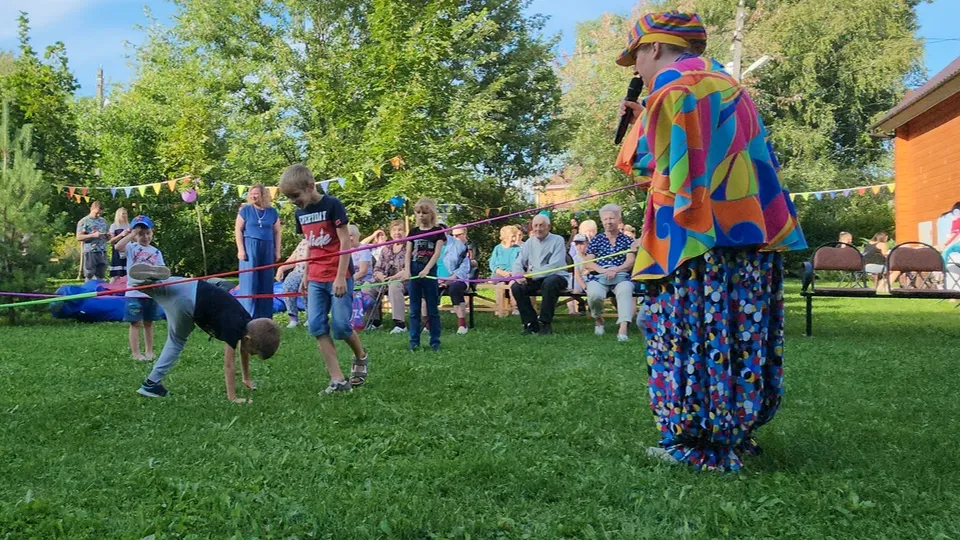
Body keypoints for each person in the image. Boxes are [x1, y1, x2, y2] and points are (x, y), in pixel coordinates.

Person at [615, 11, 806, 470]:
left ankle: (697, 444)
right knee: (736, 330)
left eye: (636, 56)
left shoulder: (671, 88)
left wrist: (639, 125)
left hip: (692, 241)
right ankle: (730, 434)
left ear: (655, 47)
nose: (636, 68)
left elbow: (647, 165)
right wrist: (649, 119)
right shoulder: (729, 84)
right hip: (748, 233)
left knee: (688, 331)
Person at [128, 264, 281, 402]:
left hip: (188, 286)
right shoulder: (233, 328)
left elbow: (244, 350)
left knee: (160, 288)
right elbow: (229, 365)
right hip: (187, 303)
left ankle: (149, 283)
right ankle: (151, 384)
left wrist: (246, 378)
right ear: (248, 340)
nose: (250, 354)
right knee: (176, 341)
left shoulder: (246, 322)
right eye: (253, 352)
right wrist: (232, 397)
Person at [280, 164, 369, 393]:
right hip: (316, 277)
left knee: (340, 326)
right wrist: (305, 274)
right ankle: (337, 380)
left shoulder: (332, 205)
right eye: (289, 198)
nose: (293, 201)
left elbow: (345, 242)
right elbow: (309, 244)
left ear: (310, 186)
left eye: (295, 196)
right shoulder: (300, 213)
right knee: (317, 326)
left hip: (338, 275)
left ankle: (360, 355)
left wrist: (341, 277)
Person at [582, 204, 637, 341]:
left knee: (625, 290)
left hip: (622, 276)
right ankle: (599, 319)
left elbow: (630, 262)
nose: (608, 222)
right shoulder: (597, 239)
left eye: (611, 218)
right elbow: (588, 262)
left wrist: (616, 270)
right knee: (594, 295)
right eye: (605, 219)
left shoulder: (628, 240)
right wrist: (603, 270)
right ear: (601, 221)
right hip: (599, 277)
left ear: (619, 219)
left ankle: (623, 329)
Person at [115, 216, 166, 361]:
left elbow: (161, 270)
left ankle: (149, 351)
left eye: (147, 233)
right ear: (135, 235)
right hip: (133, 292)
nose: (145, 237)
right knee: (135, 323)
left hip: (150, 293)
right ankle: (136, 353)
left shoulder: (156, 252)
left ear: (152, 233)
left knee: (149, 322)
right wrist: (131, 234)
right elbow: (117, 247)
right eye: (140, 234)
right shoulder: (131, 247)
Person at [510, 214, 568, 335]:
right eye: (535, 225)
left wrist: (532, 275)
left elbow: (555, 265)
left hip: (557, 276)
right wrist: (518, 274)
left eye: (541, 225)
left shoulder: (558, 240)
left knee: (549, 283)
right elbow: (518, 261)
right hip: (535, 277)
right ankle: (531, 323)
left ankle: (545, 323)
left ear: (549, 227)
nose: (538, 229)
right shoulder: (529, 243)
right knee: (516, 287)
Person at [403, 198, 445, 351]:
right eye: (418, 212)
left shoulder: (438, 232)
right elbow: (408, 253)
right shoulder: (413, 232)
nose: (421, 215)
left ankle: (435, 342)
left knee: (432, 308)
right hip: (414, 270)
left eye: (425, 213)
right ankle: (414, 341)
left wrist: (427, 269)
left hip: (429, 271)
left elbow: (437, 253)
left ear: (431, 214)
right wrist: (407, 270)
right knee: (414, 310)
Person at [235, 184, 281, 319]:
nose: (253, 196)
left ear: (263, 195)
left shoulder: (272, 211)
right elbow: (238, 229)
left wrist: (277, 251)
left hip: (267, 247)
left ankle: (265, 317)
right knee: (249, 281)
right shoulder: (245, 210)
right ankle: (247, 315)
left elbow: (277, 232)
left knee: (266, 281)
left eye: (256, 193)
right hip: (250, 247)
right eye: (251, 194)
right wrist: (241, 249)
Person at [370, 220, 409, 333]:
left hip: (404, 280)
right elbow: (377, 268)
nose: (397, 232)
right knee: (367, 287)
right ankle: (375, 321)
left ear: (405, 232)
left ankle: (400, 324)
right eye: (394, 230)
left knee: (394, 286)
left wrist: (396, 276)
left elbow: (409, 269)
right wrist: (380, 276)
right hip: (385, 280)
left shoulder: (409, 247)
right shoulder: (386, 248)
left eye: (400, 230)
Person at [443, 224, 472, 335]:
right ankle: (428, 324)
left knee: (455, 288)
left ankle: (462, 324)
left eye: (458, 235)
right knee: (425, 288)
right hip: (437, 279)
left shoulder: (461, 247)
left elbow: (465, 267)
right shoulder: (433, 248)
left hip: (458, 278)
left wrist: (452, 278)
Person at [275, 238, 309, 328]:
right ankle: (293, 318)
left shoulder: (317, 241)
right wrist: (281, 268)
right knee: (288, 285)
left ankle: (311, 317)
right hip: (298, 272)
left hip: (312, 272)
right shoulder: (303, 242)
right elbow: (292, 260)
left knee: (305, 288)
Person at [489, 225, 521, 316]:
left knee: (513, 285)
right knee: (500, 285)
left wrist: (513, 272)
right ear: (505, 238)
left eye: (515, 236)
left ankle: (515, 307)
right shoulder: (498, 248)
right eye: (512, 236)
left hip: (512, 273)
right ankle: (500, 308)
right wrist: (501, 272)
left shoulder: (518, 249)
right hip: (499, 273)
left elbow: (520, 263)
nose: (515, 238)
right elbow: (492, 264)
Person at [76, 200, 111, 281]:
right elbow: (79, 237)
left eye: (100, 213)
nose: (98, 214)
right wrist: (93, 235)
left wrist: (108, 236)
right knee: (89, 274)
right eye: (97, 212)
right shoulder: (84, 221)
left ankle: (99, 291)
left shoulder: (103, 221)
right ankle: (89, 290)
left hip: (102, 250)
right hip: (90, 251)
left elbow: (108, 234)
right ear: (93, 208)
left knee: (101, 274)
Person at [566, 233, 590, 315]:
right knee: (575, 291)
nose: (579, 246)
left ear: (587, 243)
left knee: (593, 290)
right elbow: (577, 275)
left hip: (590, 278)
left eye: (582, 243)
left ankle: (591, 305)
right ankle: (581, 302)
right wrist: (584, 286)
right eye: (577, 244)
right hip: (577, 279)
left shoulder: (591, 256)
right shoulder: (574, 259)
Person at [108, 207, 131, 280]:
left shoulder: (129, 226)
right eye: (123, 214)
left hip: (128, 250)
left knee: (127, 274)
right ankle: (110, 290)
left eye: (126, 214)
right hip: (117, 252)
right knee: (116, 275)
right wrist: (121, 234)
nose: (124, 215)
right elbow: (111, 241)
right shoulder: (114, 226)